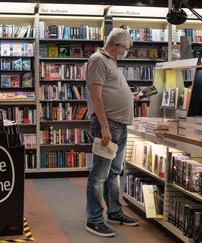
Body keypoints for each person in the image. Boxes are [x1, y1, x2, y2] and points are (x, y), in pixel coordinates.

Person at [85, 28, 139, 237]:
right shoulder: (98, 59)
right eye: (125, 48)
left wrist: (128, 95)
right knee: (99, 175)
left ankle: (115, 212)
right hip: (108, 126)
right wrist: (105, 127)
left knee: (114, 172)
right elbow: (96, 96)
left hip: (119, 125)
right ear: (117, 46)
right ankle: (94, 219)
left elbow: (109, 91)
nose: (125, 52)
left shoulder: (111, 62)